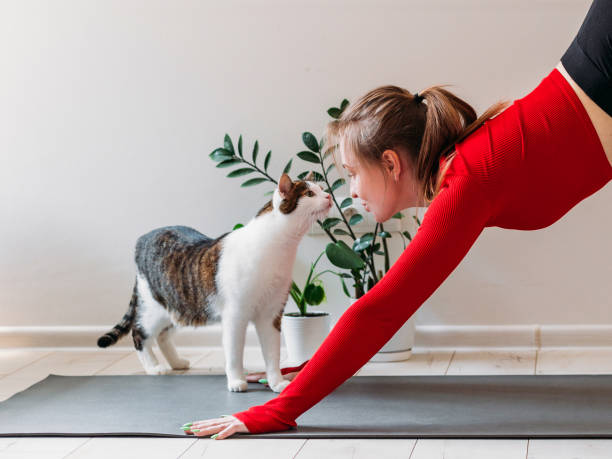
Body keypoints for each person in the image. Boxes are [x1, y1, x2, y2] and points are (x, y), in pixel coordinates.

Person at [182, 0, 612, 439]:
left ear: (390, 164)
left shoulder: (465, 183)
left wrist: (278, 410)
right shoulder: (465, 177)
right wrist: (310, 367)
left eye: (351, 174)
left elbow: (378, 313)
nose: (349, 192)